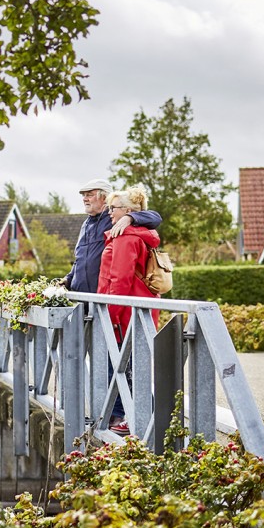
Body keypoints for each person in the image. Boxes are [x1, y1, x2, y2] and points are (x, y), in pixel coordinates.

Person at [97, 185, 162, 436]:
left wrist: (110, 315)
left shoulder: (125, 237)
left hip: (124, 312)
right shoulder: (139, 234)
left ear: (128, 210)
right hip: (136, 308)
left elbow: (120, 281)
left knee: (125, 368)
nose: (110, 213)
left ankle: (132, 420)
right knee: (135, 366)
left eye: (113, 208)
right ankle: (150, 420)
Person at [61, 179, 161, 293]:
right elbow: (80, 260)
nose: (84, 199)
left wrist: (130, 217)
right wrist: (68, 279)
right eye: (84, 196)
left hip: (101, 298)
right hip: (80, 298)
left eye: (89, 195)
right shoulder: (85, 225)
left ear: (104, 198)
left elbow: (155, 217)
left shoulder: (113, 218)